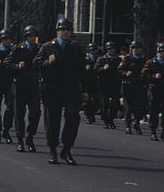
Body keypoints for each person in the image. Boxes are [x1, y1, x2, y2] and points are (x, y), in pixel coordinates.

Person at [32, 17, 87, 165]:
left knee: (73, 118)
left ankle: (67, 149)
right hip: (52, 88)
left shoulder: (75, 48)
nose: (66, 33)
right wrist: (46, 62)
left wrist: (85, 90)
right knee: (52, 121)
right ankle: (52, 150)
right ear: (57, 31)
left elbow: (83, 71)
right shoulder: (47, 46)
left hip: (71, 88)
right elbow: (35, 64)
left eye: (68, 30)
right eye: (63, 30)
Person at [6, 25, 41, 153]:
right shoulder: (17, 48)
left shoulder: (39, 48)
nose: (33, 38)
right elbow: (7, 63)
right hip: (20, 86)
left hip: (34, 85)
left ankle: (30, 137)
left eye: (34, 36)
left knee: (35, 113)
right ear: (26, 37)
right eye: (30, 36)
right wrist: (16, 65)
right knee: (19, 115)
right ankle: (20, 140)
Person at [142, 41, 164, 142]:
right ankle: (153, 131)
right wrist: (153, 76)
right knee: (154, 111)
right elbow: (144, 74)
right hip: (154, 89)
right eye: (162, 51)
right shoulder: (151, 62)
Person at [119, 40, 148, 135]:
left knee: (140, 107)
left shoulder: (145, 59)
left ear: (140, 49)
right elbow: (120, 70)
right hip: (128, 85)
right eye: (133, 48)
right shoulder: (127, 58)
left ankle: (137, 123)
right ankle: (128, 125)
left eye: (137, 48)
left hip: (140, 85)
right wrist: (125, 73)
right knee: (128, 107)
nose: (135, 50)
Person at [96, 41, 122, 130]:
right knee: (104, 104)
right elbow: (96, 69)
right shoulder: (101, 59)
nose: (111, 50)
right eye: (109, 48)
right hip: (104, 84)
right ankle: (106, 121)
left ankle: (111, 118)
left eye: (113, 48)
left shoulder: (118, 59)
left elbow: (122, 69)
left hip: (115, 83)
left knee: (115, 103)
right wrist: (103, 68)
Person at [82, 43, 101, 124]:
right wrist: (85, 68)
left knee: (96, 99)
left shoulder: (99, 58)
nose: (93, 51)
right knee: (87, 99)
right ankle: (88, 115)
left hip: (96, 81)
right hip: (87, 81)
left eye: (94, 49)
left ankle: (92, 113)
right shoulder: (84, 58)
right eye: (91, 49)